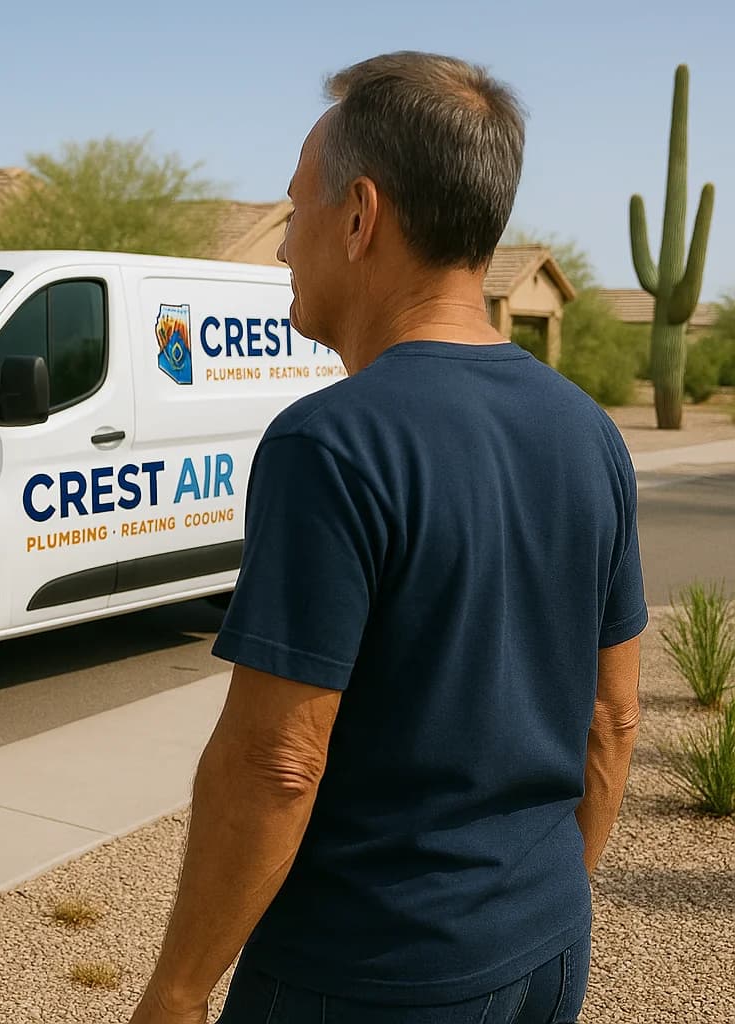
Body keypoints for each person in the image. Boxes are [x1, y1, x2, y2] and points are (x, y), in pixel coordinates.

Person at [129, 52, 644, 1024]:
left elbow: (278, 759)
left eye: (295, 211)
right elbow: (613, 717)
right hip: (545, 947)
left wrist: (178, 989)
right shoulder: (590, 432)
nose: (285, 247)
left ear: (360, 216)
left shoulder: (332, 442)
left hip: (368, 972)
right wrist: (540, 899)